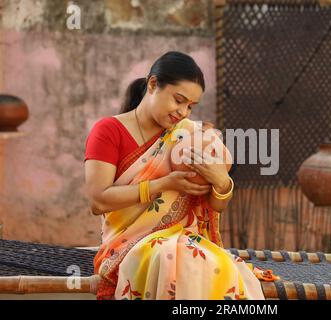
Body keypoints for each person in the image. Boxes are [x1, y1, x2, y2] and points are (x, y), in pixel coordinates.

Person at [84, 51, 270, 300]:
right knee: (174, 258)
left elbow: (216, 205)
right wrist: (164, 184)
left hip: (185, 243)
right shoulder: (108, 131)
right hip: (126, 248)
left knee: (204, 262)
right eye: (178, 100)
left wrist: (222, 181)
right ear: (152, 84)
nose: (183, 112)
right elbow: (98, 201)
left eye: (190, 106)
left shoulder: (191, 136)